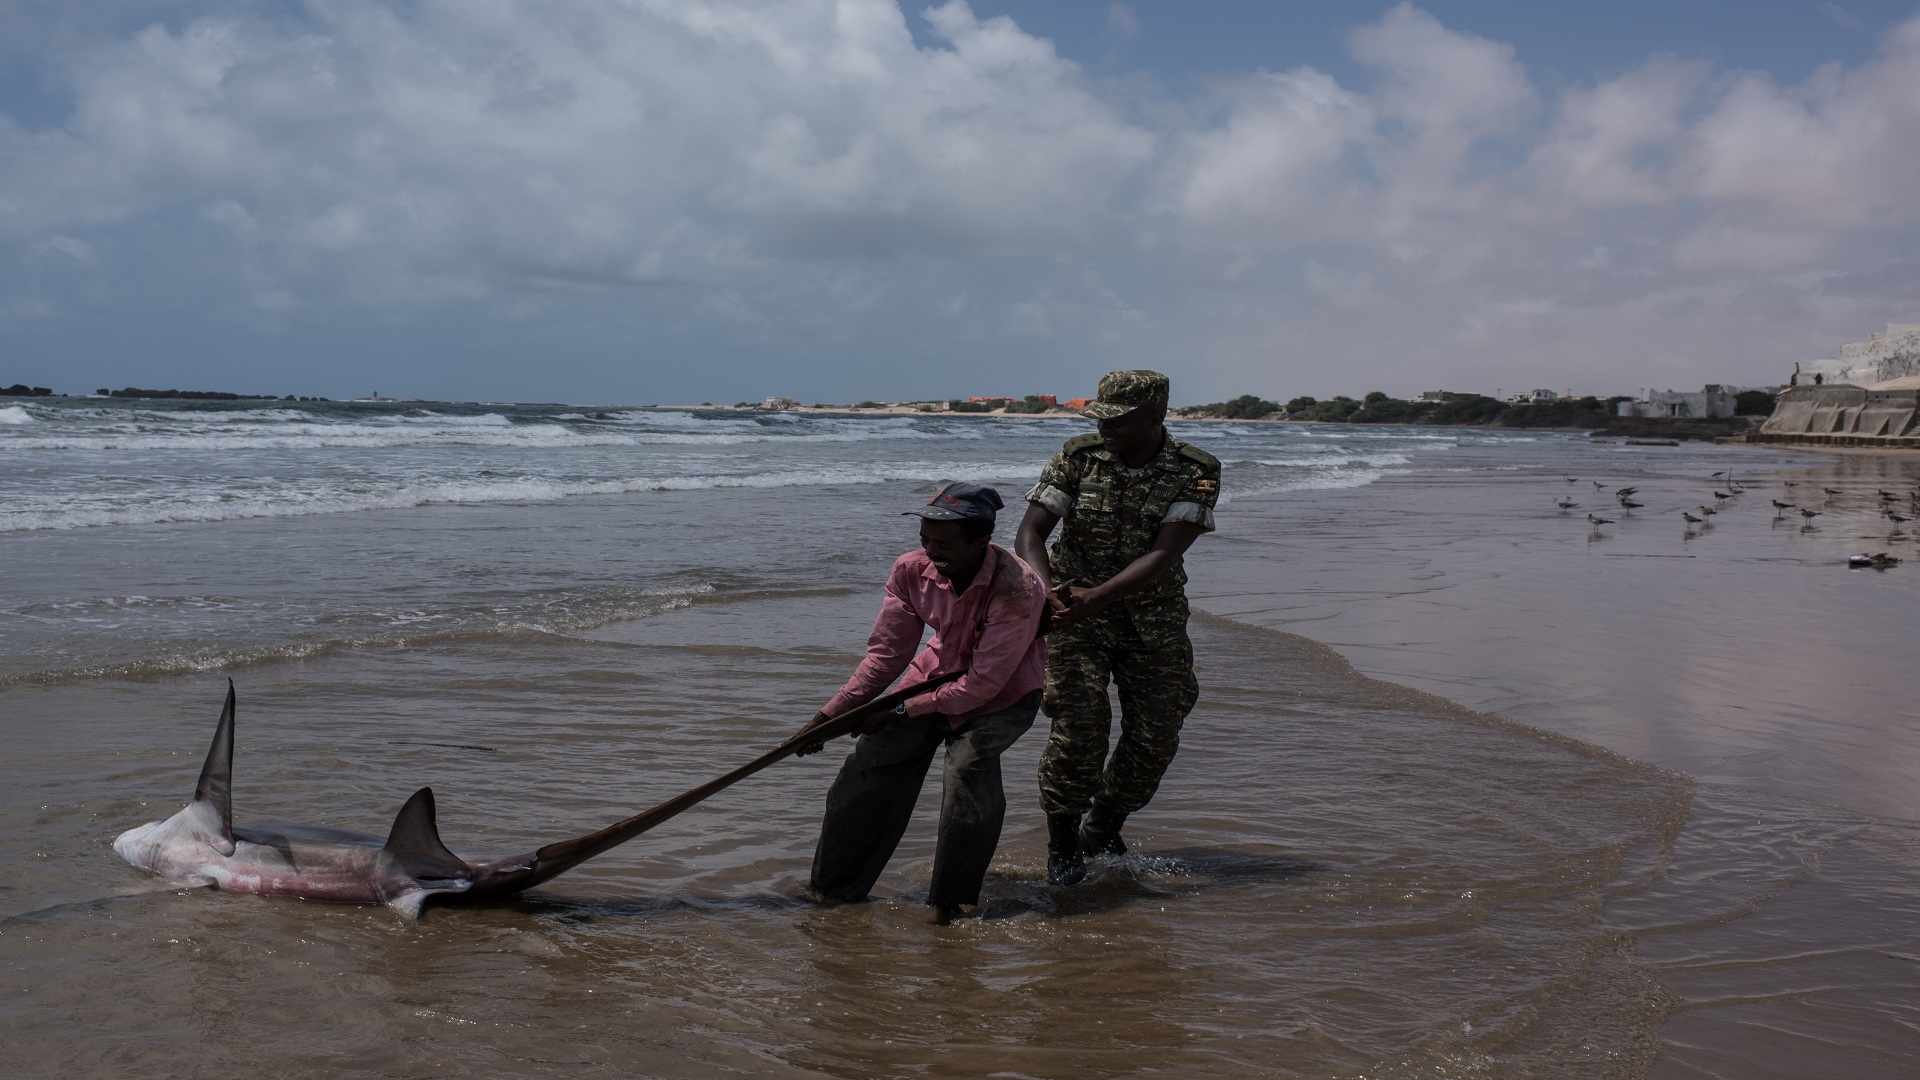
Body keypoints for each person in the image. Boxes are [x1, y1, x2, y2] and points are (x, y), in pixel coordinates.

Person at [795, 482, 1048, 922]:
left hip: (1003, 693)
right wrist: (829, 715)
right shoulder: (910, 571)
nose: (933, 554)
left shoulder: (1017, 587)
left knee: (968, 771)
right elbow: (886, 655)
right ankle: (834, 891)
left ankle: (952, 904)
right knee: (868, 767)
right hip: (931, 678)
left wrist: (896, 709)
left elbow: (982, 685)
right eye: (925, 541)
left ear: (982, 542)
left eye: (945, 545)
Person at [1015, 370, 1221, 885]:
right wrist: (1047, 593)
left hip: (1152, 622)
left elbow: (1165, 552)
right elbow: (1031, 532)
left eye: (1118, 421)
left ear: (1155, 418)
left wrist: (1096, 599)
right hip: (1071, 618)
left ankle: (1103, 826)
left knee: (1157, 733)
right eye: (1100, 419)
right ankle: (1063, 844)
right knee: (1079, 729)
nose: (1106, 429)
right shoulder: (1078, 457)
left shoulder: (1195, 470)